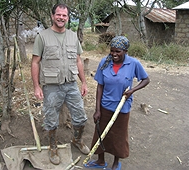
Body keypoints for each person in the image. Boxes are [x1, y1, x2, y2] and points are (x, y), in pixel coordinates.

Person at [31, 3, 90, 165]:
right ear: (52, 16)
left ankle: (77, 140)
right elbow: (35, 62)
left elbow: (78, 60)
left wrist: (84, 82)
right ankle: (52, 147)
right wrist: (36, 86)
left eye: (64, 16)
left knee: (80, 118)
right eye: (58, 15)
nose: (61, 18)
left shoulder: (73, 36)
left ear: (68, 18)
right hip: (51, 86)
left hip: (71, 84)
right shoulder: (42, 37)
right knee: (51, 120)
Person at [85, 36, 150, 170]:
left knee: (118, 136)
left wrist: (132, 90)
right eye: (112, 51)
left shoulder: (133, 64)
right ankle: (101, 161)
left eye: (118, 51)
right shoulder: (104, 62)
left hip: (122, 108)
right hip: (105, 106)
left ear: (125, 51)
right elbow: (100, 87)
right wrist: (97, 110)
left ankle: (116, 163)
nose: (114, 54)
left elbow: (145, 80)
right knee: (100, 133)